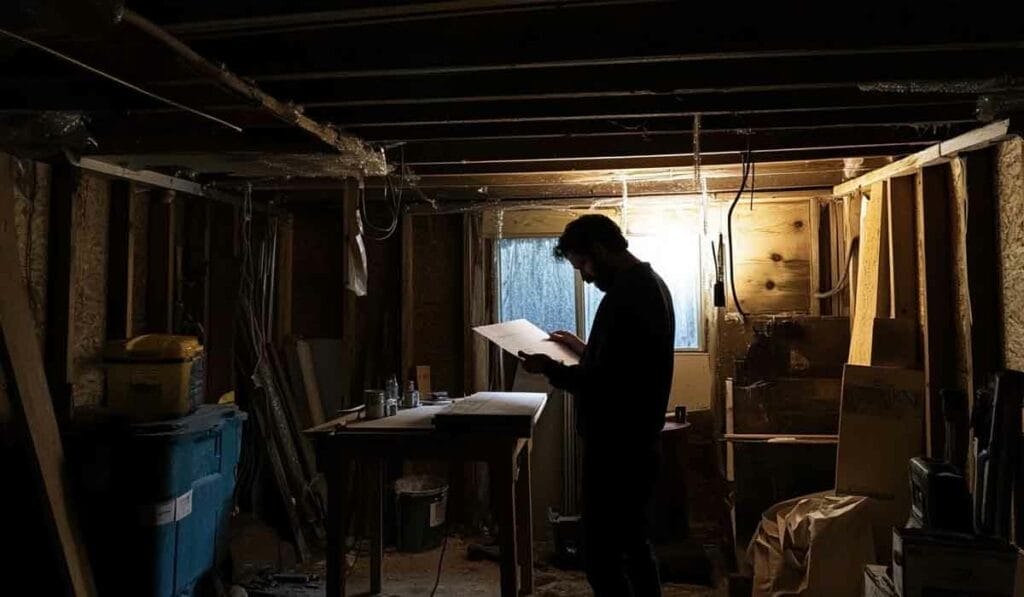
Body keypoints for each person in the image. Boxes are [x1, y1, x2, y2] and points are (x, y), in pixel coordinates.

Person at [519, 214, 675, 597]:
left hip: (617, 448)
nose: (585, 277)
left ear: (601, 250)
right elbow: (623, 365)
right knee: (634, 545)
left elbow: (605, 384)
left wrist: (549, 368)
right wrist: (579, 348)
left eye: (584, 265)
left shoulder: (627, 298)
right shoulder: (651, 286)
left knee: (601, 556)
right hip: (634, 441)